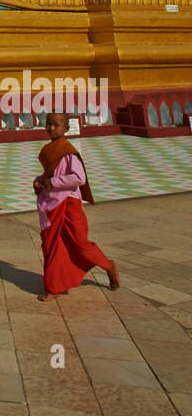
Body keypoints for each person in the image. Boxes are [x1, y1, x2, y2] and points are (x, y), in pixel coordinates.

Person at [34, 111, 120, 302]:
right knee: (51, 243)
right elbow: (48, 173)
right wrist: (39, 180)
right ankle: (54, 286)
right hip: (52, 204)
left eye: (56, 125)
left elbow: (79, 178)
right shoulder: (49, 149)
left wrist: (53, 182)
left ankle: (108, 265)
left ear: (66, 128)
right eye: (49, 124)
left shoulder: (69, 152)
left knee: (80, 244)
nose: (51, 128)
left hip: (69, 203)